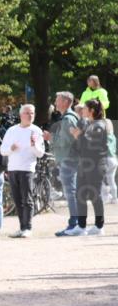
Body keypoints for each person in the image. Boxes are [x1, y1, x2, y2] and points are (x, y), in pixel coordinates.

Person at [0, 104, 45, 238]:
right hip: (13, 168)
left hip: (27, 169)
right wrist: (11, 149)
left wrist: (34, 146)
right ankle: (22, 227)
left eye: (32, 113)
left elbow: (40, 153)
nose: (30, 115)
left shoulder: (36, 130)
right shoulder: (11, 130)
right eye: (27, 113)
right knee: (18, 200)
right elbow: (3, 150)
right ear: (20, 115)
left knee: (27, 199)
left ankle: (28, 227)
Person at [43, 91, 81, 235]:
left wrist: (50, 137)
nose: (55, 102)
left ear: (65, 102)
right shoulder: (71, 118)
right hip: (72, 159)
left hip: (68, 159)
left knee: (70, 192)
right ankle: (77, 223)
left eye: (57, 100)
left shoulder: (67, 119)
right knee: (73, 192)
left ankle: (74, 224)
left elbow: (65, 142)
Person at [69, 99, 108, 235]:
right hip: (84, 164)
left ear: (91, 110)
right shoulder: (88, 124)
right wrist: (76, 138)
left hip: (96, 165)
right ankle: (81, 226)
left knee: (94, 195)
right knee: (80, 194)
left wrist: (78, 135)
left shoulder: (99, 125)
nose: (82, 110)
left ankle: (99, 226)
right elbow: (81, 147)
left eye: (85, 108)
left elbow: (92, 146)